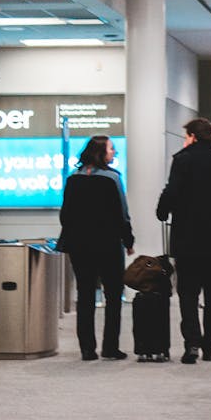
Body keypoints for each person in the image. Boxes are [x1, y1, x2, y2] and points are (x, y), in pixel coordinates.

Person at [156, 117, 211, 364]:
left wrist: (163, 211)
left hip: (187, 242)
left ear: (193, 136)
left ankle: (192, 343)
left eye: (185, 136)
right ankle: (210, 345)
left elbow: (172, 192)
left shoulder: (182, 161)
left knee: (188, 294)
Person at [58, 135, 134, 361]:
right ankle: (110, 347)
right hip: (108, 245)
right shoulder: (112, 178)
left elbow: (65, 215)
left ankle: (87, 348)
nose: (114, 153)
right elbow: (122, 213)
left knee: (86, 295)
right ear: (100, 152)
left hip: (80, 247)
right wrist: (128, 241)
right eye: (111, 149)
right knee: (112, 296)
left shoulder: (73, 179)